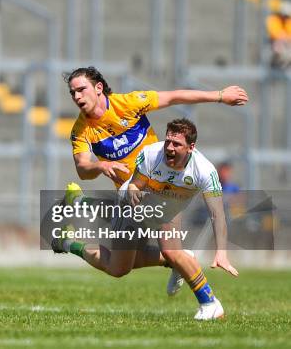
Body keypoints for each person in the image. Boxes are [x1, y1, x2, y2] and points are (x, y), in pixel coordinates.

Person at [61, 66, 247, 296]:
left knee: (165, 248)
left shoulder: (129, 103)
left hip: (162, 187)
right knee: (118, 267)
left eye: (81, 90)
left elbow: (173, 96)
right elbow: (82, 169)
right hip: (131, 199)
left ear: (98, 88)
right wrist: (101, 165)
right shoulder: (81, 130)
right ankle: (71, 239)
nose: (77, 96)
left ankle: (206, 299)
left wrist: (219, 96)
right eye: (73, 93)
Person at [55, 118, 238, 320]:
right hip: (133, 204)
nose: (169, 147)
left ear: (191, 147)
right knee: (118, 268)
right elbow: (135, 185)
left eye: (176, 144)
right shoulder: (152, 154)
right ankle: (69, 241)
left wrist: (221, 252)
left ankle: (210, 302)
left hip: (166, 209)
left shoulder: (204, 170)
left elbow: (217, 214)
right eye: (168, 140)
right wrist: (134, 192)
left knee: (171, 252)